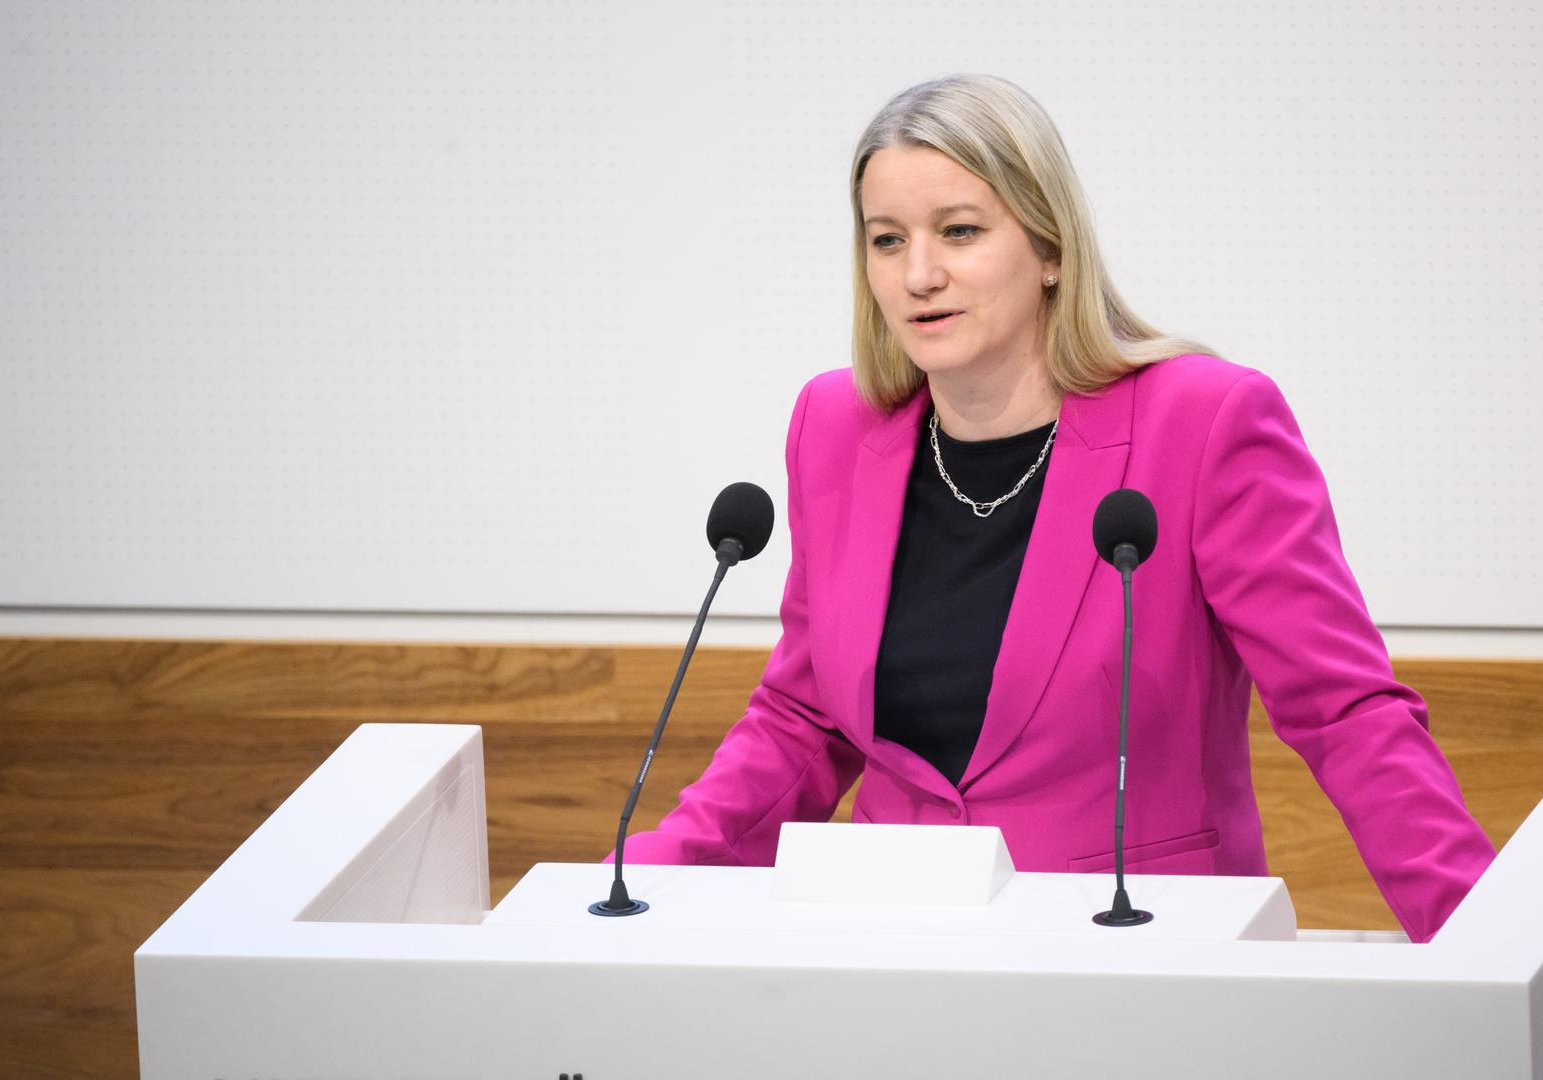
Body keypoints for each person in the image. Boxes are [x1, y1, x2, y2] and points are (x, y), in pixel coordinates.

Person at [616, 73, 1495, 942]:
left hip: (1138, 951)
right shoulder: (836, 428)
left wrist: (1487, 939)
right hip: (888, 948)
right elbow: (804, 719)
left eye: (959, 232)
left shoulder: (1202, 422)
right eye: (887, 241)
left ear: (1050, 250)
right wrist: (642, 887)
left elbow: (1342, 712)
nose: (919, 274)